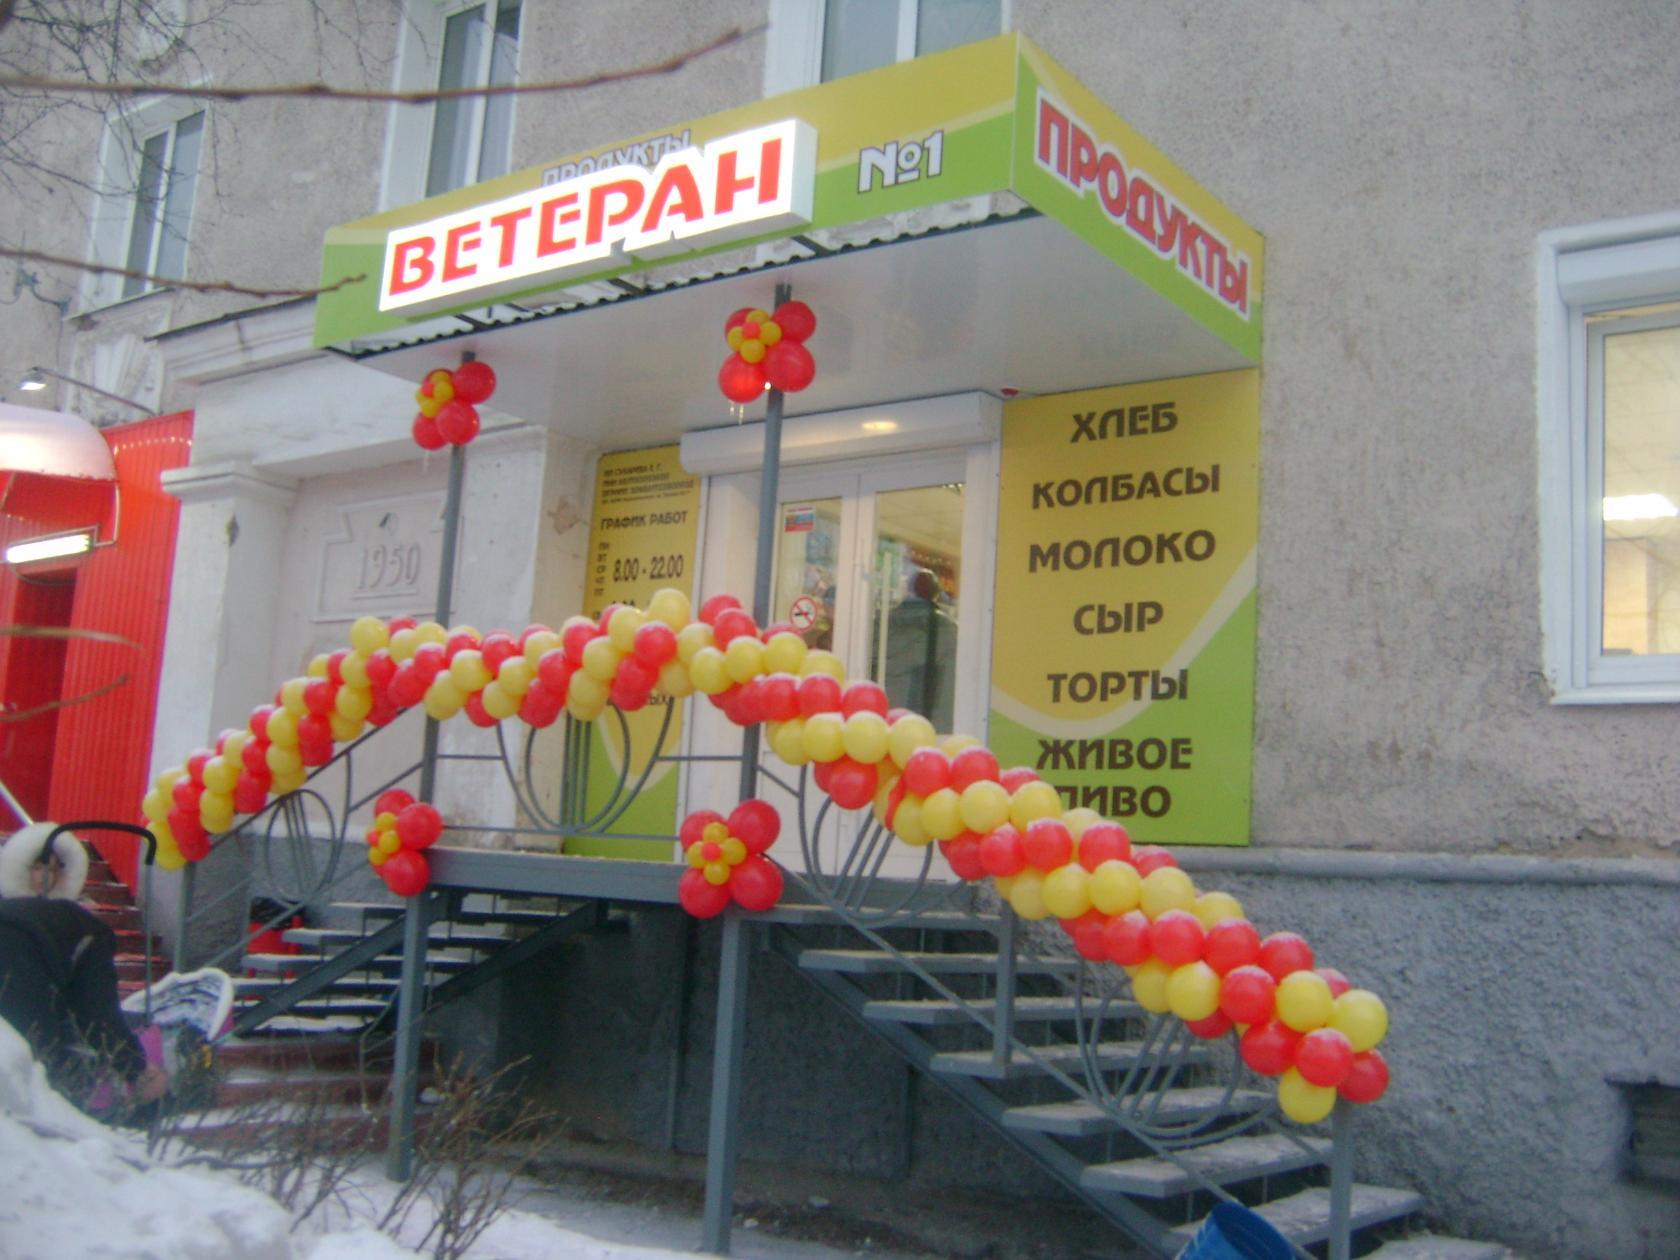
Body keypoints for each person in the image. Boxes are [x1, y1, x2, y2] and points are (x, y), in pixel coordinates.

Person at [0, 822, 169, 1109]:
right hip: (32, 1041)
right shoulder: (84, 928)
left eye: (55, 869)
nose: (47, 877)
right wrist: (137, 1070)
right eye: (39, 867)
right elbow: (98, 1013)